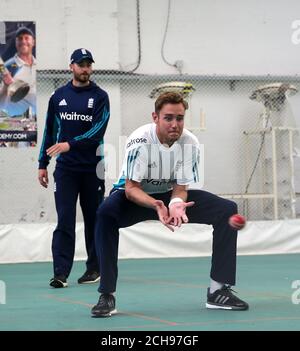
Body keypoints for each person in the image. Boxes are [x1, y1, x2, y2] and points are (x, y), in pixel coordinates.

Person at [91, 91, 249, 317]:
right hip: (136, 197)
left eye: (180, 118)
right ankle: (107, 294)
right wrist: (156, 205)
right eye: (168, 118)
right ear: (155, 117)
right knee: (105, 213)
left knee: (226, 210)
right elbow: (131, 188)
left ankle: (218, 291)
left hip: (166, 196)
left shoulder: (190, 142)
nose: (175, 124)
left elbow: (181, 188)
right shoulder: (140, 140)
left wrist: (175, 203)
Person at [38, 48, 110, 288]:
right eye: (81, 64)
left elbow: (97, 130)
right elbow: (50, 131)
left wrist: (71, 144)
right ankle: (60, 273)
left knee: (94, 219)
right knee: (65, 219)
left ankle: (94, 268)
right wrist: (42, 164)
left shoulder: (100, 96)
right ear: (72, 67)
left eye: (89, 64)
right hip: (66, 171)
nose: (86, 69)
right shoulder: (58, 96)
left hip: (93, 169)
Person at [0, 26, 36, 117]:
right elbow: (1, 104)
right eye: (20, 39)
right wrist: (5, 86)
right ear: (16, 43)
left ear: (33, 42)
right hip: (13, 117)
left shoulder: (39, 64)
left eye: (26, 38)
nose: (23, 41)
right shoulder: (9, 66)